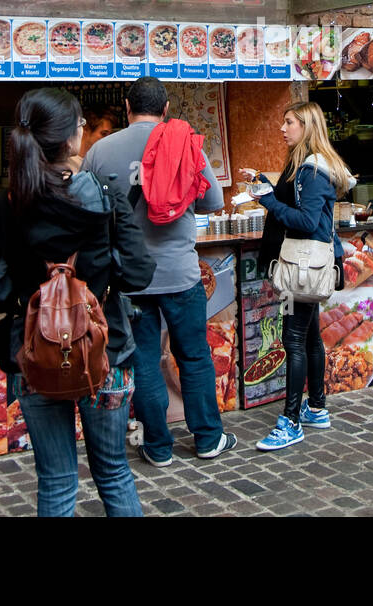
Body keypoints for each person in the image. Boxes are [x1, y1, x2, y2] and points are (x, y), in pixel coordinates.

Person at [0, 89, 155, 516]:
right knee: (114, 472)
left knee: (56, 482)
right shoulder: (104, 195)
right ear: (70, 138)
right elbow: (139, 273)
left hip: (35, 357)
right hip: (106, 353)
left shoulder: (4, 207)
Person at [83, 77, 235, 465]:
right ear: (166, 108)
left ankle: (158, 446)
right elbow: (213, 201)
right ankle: (207, 439)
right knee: (195, 356)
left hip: (130, 279)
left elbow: (88, 212)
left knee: (144, 360)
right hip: (181, 274)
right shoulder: (184, 142)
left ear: (127, 106)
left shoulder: (100, 150)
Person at [242, 101, 355, 451]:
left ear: (306, 126)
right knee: (309, 337)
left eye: (289, 122)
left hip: (302, 268)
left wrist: (266, 201)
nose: (282, 128)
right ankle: (317, 406)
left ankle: (291, 420)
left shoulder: (313, 170)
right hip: (307, 267)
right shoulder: (307, 167)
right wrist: (263, 184)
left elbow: (306, 222)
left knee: (293, 339)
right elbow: (301, 206)